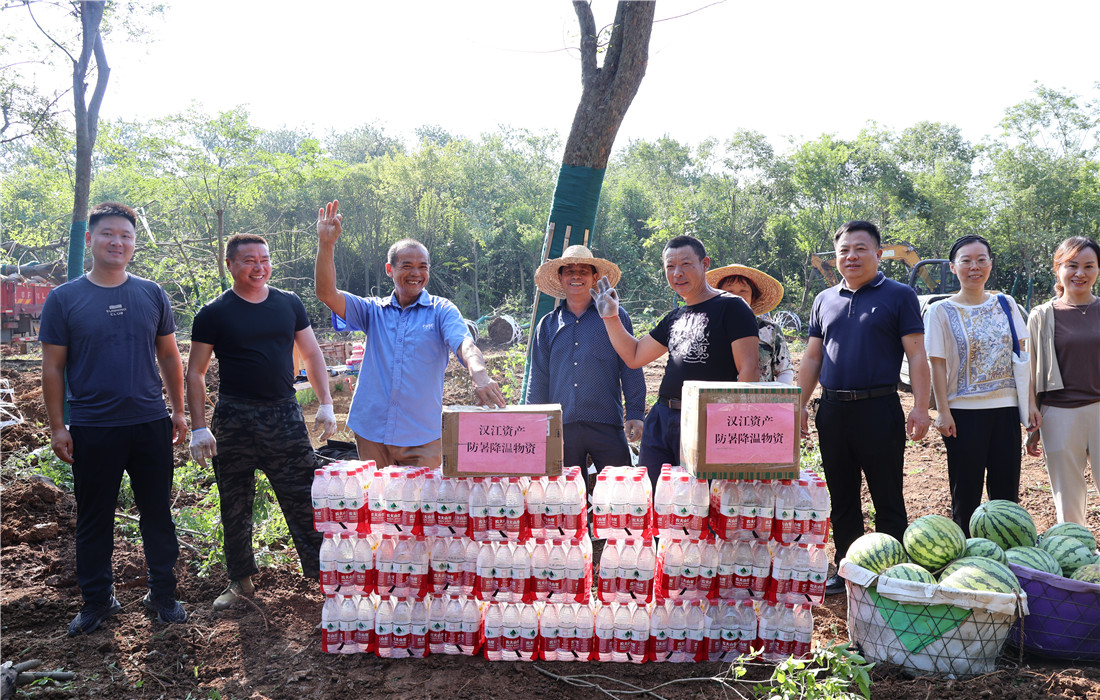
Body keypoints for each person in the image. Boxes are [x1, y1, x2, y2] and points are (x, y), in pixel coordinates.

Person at [39, 202, 189, 635]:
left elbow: (168, 354)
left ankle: (163, 594)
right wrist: (57, 426)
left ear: (134, 244)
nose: (117, 242)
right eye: (108, 234)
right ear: (90, 240)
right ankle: (96, 600)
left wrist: (177, 411)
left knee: (157, 514)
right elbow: (52, 367)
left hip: (149, 423)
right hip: (92, 427)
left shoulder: (150, 293)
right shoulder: (64, 300)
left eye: (125, 236)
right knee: (94, 518)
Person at [186, 233, 337, 610]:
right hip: (234, 418)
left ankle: (324, 578)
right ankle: (241, 581)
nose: (259, 267)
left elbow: (312, 352)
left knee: (303, 495)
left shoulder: (288, 304)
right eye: (249, 260)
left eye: (265, 259)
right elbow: (196, 372)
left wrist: (326, 402)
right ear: (231, 265)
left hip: (283, 415)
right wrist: (199, 425)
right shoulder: (213, 312)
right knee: (234, 500)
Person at [314, 200, 505, 467]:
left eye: (422, 266)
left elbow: (465, 344)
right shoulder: (372, 310)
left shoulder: (441, 310)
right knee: (379, 503)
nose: (416, 273)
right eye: (407, 266)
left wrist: (480, 375)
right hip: (370, 431)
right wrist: (326, 244)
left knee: (421, 505)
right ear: (390, 269)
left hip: (421, 437)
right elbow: (326, 293)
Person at [797, 220, 931, 595]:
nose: (851, 256)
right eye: (844, 250)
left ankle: (892, 571)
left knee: (887, 493)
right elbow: (811, 358)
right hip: (834, 411)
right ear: (836, 256)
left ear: (878, 252)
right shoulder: (824, 299)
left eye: (860, 248)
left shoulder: (899, 295)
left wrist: (921, 407)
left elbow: (918, 355)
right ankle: (848, 566)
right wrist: (799, 405)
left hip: (879, 409)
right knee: (841, 495)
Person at [592, 235, 761, 484]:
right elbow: (635, 356)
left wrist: (731, 425)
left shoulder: (732, 307)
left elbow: (749, 368)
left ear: (705, 264)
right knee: (655, 495)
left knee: (699, 501)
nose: (677, 273)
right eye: (670, 267)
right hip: (662, 417)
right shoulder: (674, 316)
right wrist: (611, 318)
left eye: (686, 264)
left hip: (707, 420)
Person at [925, 235, 1041, 536]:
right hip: (963, 415)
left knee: (1006, 495)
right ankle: (966, 559)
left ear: (990, 264)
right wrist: (943, 412)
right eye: (966, 260)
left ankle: (1004, 556)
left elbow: (1022, 357)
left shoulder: (1006, 303)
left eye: (981, 259)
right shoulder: (940, 311)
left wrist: (1029, 404)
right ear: (953, 267)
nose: (974, 266)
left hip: (1005, 410)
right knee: (966, 493)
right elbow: (937, 364)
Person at [525, 245, 645, 479]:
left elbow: (630, 366)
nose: (576, 276)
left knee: (619, 489)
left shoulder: (614, 316)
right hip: (562, 428)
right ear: (560, 278)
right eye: (569, 271)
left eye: (583, 271)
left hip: (607, 422)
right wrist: (534, 422)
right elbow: (538, 377)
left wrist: (636, 412)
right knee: (565, 496)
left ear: (594, 278)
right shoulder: (547, 325)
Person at [1026, 236, 1100, 526]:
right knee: (1067, 495)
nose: (1080, 273)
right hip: (1059, 414)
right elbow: (1030, 370)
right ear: (1058, 269)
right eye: (1072, 266)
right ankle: (1077, 556)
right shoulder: (1042, 316)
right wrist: (1031, 419)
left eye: (1088, 266)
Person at [706, 263, 794, 384]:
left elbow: (784, 370)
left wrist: (779, 400)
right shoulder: (708, 328)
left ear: (753, 296)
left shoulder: (770, 330)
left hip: (761, 401)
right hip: (717, 401)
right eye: (729, 291)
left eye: (743, 290)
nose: (737, 296)